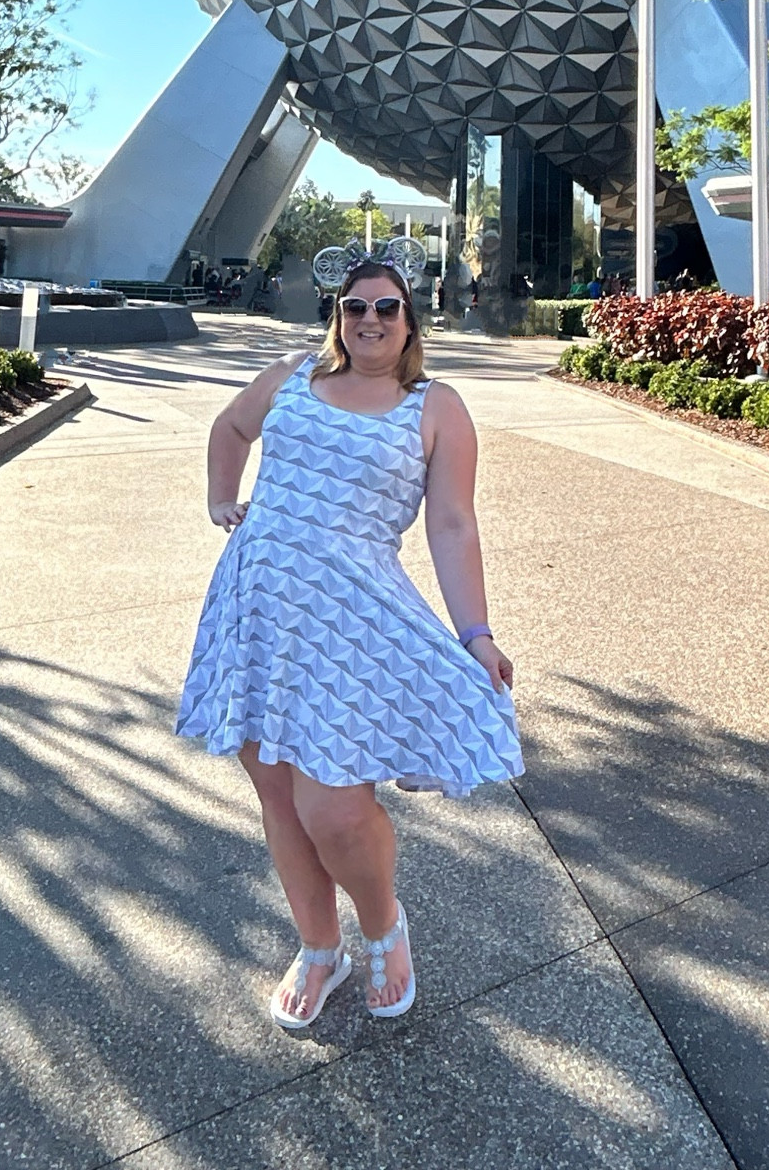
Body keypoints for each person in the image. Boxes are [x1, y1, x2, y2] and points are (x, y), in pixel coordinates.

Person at [176, 248, 522, 1031]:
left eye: (386, 307)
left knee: (333, 808)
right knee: (278, 795)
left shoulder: (435, 406)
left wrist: (476, 633)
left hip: (351, 623)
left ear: (410, 320)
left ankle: (382, 927)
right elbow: (230, 428)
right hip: (258, 609)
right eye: (355, 306)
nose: (369, 319)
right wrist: (221, 499)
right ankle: (317, 946)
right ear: (339, 316)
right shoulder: (293, 377)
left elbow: (454, 524)